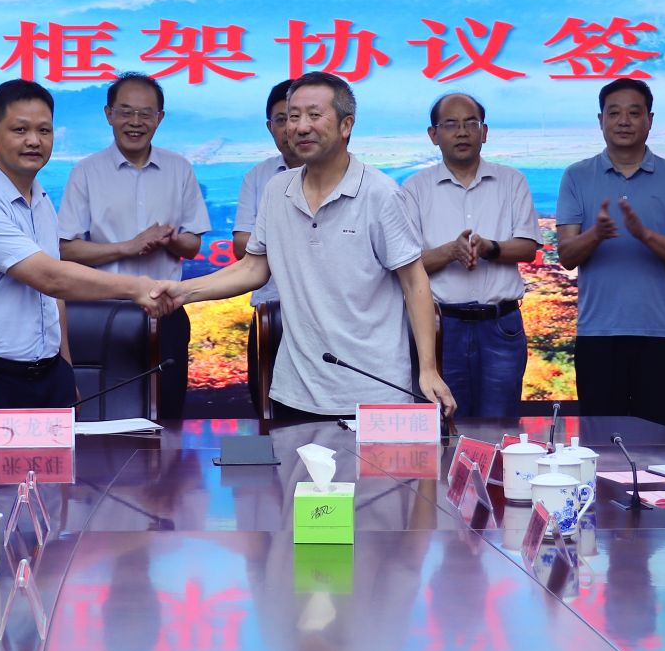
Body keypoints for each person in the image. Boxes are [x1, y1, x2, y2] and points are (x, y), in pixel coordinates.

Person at [168, 71, 457, 421]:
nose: (301, 127)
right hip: (296, 390)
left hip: (374, 390)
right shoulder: (277, 190)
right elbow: (253, 268)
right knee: (289, 460)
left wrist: (428, 369)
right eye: (293, 116)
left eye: (314, 115)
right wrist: (181, 292)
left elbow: (414, 283)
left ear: (346, 125)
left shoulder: (380, 194)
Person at [0, 79, 174, 421]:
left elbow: (52, 297)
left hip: (48, 376)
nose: (34, 141)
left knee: (60, 461)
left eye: (44, 130)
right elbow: (50, 277)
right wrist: (138, 288)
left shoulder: (41, 199)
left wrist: (65, 369)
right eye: (20, 130)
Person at [58, 73, 211, 419]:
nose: (135, 122)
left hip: (165, 311)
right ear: (109, 114)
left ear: (160, 118)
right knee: (103, 415)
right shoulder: (86, 171)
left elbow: (192, 245)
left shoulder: (179, 169)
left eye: (145, 114)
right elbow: (66, 249)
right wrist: (128, 247)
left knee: (168, 414)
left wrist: (170, 240)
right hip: (103, 314)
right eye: (126, 112)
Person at [554, 77, 665, 429]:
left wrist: (644, 234)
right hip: (597, 333)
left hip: (659, 333)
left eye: (634, 113)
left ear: (650, 120)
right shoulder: (576, 176)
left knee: (659, 439)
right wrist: (597, 233)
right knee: (601, 441)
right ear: (600, 119)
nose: (624, 121)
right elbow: (567, 256)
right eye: (614, 113)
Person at [402, 93, 543, 417]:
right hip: (440, 328)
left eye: (471, 123)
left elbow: (528, 247)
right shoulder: (415, 188)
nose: (462, 132)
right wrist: (451, 252)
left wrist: (491, 248)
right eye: (451, 124)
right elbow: (405, 265)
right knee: (444, 424)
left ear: (485, 131)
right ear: (434, 134)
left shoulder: (512, 181)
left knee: (500, 423)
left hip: (501, 326)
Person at [231, 78, 298, 307]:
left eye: (296, 117)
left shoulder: (357, 181)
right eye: (281, 120)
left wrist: (269, 241)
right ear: (270, 128)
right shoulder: (257, 176)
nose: (290, 128)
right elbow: (241, 246)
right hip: (270, 307)